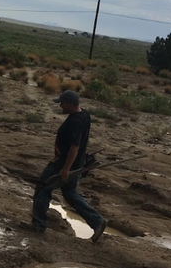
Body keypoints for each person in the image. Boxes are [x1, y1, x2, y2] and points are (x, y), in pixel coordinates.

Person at [21, 90, 107, 242]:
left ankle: (38, 225)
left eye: (62, 103)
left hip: (62, 164)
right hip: (76, 163)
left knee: (43, 187)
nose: (60, 105)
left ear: (70, 104)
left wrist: (65, 168)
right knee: (70, 194)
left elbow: (74, 146)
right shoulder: (84, 114)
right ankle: (97, 221)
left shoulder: (74, 122)